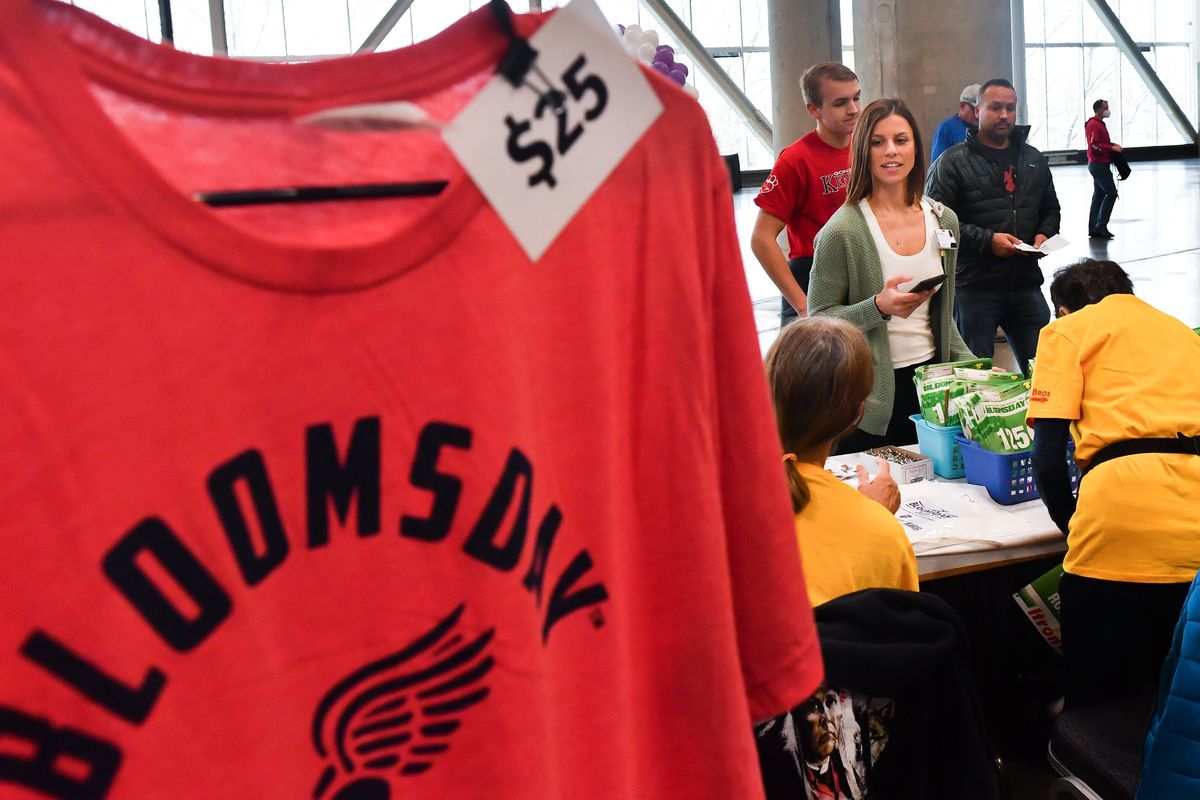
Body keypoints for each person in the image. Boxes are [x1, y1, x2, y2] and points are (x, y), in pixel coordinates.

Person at [1026, 258, 1200, 709]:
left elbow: (1046, 460)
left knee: (1094, 702)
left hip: (1118, 525)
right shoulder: (1181, 331)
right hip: (1194, 530)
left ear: (1064, 309)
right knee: (1171, 694)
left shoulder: (1065, 332)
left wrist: (1072, 526)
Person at [809, 98, 975, 453]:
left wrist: (976, 372)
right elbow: (819, 320)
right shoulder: (843, 231)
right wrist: (878, 307)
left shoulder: (944, 221)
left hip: (934, 392)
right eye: (877, 142)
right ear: (863, 150)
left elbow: (944, 320)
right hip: (867, 400)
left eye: (901, 140)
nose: (891, 152)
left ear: (916, 145)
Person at [764, 316, 919, 608]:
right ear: (857, 413)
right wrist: (876, 516)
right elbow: (898, 631)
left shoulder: (710, 500)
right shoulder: (880, 531)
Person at [925, 78, 1060, 377]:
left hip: (1026, 284)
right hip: (975, 288)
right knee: (976, 377)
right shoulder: (953, 162)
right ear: (977, 111)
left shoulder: (1034, 159)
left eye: (1010, 108)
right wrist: (987, 241)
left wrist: (1044, 234)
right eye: (995, 107)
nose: (1004, 115)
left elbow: (1051, 209)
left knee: (1045, 376)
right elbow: (934, 221)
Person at [751, 62, 861, 324]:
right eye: (840, 103)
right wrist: (802, 306)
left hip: (860, 270)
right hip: (813, 275)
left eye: (857, 97)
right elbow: (761, 239)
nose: (853, 109)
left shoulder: (867, 147)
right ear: (814, 109)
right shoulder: (795, 160)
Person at [1085, 98, 1122, 239]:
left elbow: (1099, 143)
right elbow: (1094, 145)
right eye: (1106, 107)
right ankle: (1101, 225)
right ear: (1099, 109)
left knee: (1099, 195)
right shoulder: (1094, 125)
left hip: (1097, 164)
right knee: (1111, 193)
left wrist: (1112, 144)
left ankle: (1094, 227)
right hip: (1098, 164)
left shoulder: (1098, 124)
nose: (1108, 110)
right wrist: (1111, 147)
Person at [929, 83, 980, 163]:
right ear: (962, 105)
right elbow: (937, 166)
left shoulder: (983, 129)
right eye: (974, 110)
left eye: (981, 110)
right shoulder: (946, 129)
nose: (978, 114)